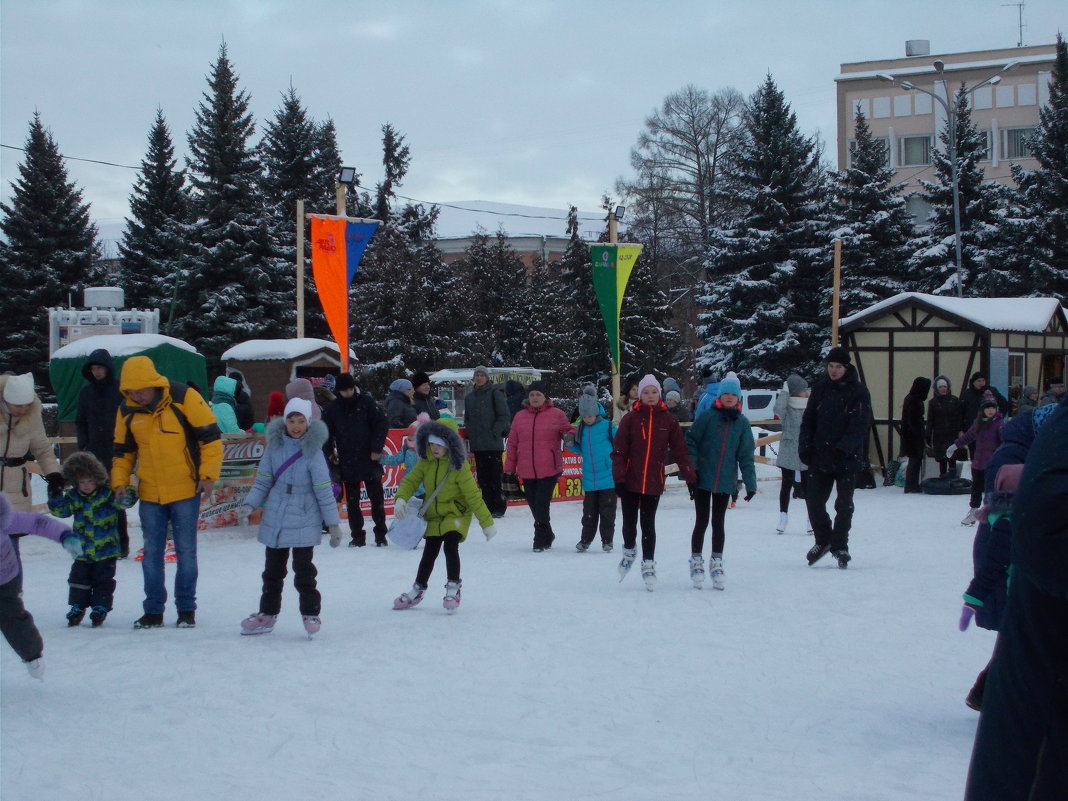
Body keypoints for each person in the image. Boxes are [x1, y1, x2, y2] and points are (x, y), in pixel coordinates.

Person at [963, 400, 1067, 801]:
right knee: (1021, 637)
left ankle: (986, 689)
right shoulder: (1021, 445)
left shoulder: (1032, 437)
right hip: (1012, 561)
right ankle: (985, 689)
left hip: (1019, 561)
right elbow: (1010, 515)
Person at [111, 356, 223, 629]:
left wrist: (208, 476)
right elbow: (122, 453)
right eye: (131, 392)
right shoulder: (127, 410)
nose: (136, 396)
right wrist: (119, 482)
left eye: (140, 390)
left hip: (186, 489)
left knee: (186, 551)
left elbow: (210, 439)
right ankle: (153, 611)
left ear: (153, 384)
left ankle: (186, 609)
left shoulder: (185, 398)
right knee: (151, 554)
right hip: (150, 493)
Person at [237, 398, 341, 638]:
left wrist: (333, 524)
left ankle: (310, 612)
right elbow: (263, 480)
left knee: (304, 570)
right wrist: (250, 503)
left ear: (308, 422)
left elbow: (324, 490)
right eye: (291, 420)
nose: (296, 426)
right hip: (277, 512)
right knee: (272, 571)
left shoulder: (313, 452)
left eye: (300, 421)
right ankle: (267, 614)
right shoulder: (274, 447)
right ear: (285, 421)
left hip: (305, 513)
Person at [391, 419, 496, 614]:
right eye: (431, 444)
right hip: (434, 516)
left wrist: (486, 523)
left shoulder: (459, 467)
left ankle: (453, 588)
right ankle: (418, 589)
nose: (435, 448)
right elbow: (410, 481)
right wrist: (401, 499)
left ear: (450, 444)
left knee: (450, 545)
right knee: (429, 552)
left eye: (440, 444)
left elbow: (473, 497)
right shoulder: (425, 463)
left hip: (456, 515)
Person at [612, 375, 697, 589]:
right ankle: (629, 550)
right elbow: (619, 452)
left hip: (653, 481)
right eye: (646, 392)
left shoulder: (668, 420)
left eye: (654, 392)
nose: (650, 396)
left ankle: (648, 563)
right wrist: (619, 478)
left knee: (648, 524)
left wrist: (690, 478)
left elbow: (680, 451)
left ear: (660, 394)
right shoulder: (630, 419)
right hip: (630, 480)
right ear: (640, 395)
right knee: (629, 523)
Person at [798, 346, 872, 570]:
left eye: (838, 367)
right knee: (814, 501)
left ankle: (840, 544)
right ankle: (823, 540)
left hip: (846, 458)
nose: (834, 370)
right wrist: (805, 446)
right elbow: (808, 420)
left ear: (846, 367)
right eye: (831, 366)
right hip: (819, 456)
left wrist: (844, 448)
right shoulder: (820, 389)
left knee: (844, 504)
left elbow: (860, 423)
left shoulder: (858, 391)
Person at [685, 371, 756, 590]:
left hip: (725, 481)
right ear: (719, 396)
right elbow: (692, 441)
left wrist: (750, 483)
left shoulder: (742, 423)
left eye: (732, 395)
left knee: (719, 523)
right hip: (703, 478)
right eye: (725, 393)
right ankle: (696, 559)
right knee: (702, 520)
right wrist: (693, 470)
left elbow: (746, 455)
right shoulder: (708, 417)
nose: (728, 397)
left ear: (738, 399)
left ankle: (716, 561)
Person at [0, 494, 80, 679]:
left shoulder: (4, 519)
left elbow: (37, 522)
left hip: (4, 579)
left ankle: (32, 655)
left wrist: (65, 535)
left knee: (12, 619)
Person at [47, 451, 127, 627]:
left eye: (90, 480)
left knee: (103, 580)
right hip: (82, 550)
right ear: (75, 482)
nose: (86, 485)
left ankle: (100, 606)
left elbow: (124, 501)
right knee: (78, 579)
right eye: (82, 482)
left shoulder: (107, 495)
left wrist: (125, 489)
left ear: (97, 478)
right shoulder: (74, 497)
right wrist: (55, 493)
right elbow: (61, 511)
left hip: (106, 550)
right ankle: (77, 606)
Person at [504, 381, 573, 552]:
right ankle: (547, 533)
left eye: (538, 395)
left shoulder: (557, 414)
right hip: (526, 469)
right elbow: (512, 444)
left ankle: (540, 538)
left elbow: (568, 431)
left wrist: (574, 433)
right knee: (534, 504)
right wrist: (509, 467)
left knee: (542, 504)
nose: (535, 398)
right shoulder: (520, 417)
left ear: (545, 397)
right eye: (532, 394)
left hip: (549, 468)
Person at [322, 372, 388, 547]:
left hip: (369, 459)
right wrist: (330, 452)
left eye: (350, 389)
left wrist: (376, 448)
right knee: (353, 502)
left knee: (377, 500)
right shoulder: (333, 409)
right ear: (338, 391)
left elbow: (381, 424)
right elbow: (325, 433)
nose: (348, 393)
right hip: (347, 459)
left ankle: (381, 534)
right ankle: (357, 536)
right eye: (344, 390)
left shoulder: (366, 403)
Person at [75, 348, 129, 558]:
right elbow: (80, 420)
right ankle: (97, 541)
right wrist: (83, 443)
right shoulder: (86, 393)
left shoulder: (120, 390)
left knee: (118, 496)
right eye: (93, 368)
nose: (96, 372)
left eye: (99, 367)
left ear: (108, 368)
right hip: (94, 451)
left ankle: (122, 544)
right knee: (93, 498)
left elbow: (129, 417)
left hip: (117, 451)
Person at [1, 372, 63, 515]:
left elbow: (42, 449)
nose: (24, 410)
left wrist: (54, 475)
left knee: (13, 532)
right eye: (18, 405)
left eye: (27, 405)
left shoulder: (32, 416)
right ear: (6, 400)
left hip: (17, 486)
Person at [565, 392, 616, 553]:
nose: (587, 419)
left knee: (607, 513)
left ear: (596, 412)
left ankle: (607, 540)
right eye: (584, 416)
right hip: (590, 479)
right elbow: (580, 449)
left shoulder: (607, 426)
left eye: (590, 416)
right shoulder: (581, 428)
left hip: (608, 478)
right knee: (588, 514)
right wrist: (569, 444)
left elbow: (620, 443)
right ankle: (585, 540)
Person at [463, 366, 511, 519]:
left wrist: (495, 432)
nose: (479, 377)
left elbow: (504, 415)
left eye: (482, 375)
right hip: (478, 445)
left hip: (493, 444)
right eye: (476, 375)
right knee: (483, 479)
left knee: (496, 478)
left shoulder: (495, 394)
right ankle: (487, 506)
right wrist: (471, 434)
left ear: (487, 377)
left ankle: (499, 507)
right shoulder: (469, 397)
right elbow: (468, 419)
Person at [950, 393, 1005, 526]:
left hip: (993, 465)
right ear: (982, 410)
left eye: (992, 408)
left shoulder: (999, 424)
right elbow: (968, 436)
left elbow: (1005, 441)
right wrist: (955, 445)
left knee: (991, 490)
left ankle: (992, 513)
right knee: (976, 489)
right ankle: (974, 512)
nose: (990, 411)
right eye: (987, 408)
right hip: (978, 463)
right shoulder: (978, 423)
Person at [773, 374, 809, 533]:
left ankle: (811, 519)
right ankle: (783, 517)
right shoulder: (787, 408)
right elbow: (777, 409)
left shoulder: (810, 406)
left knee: (810, 488)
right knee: (786, 485)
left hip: (807, 451)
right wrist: (785, 390)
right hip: (788, 450)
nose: (806, 392)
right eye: (803, 389)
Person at [380, 412, 430, 496]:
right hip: (407, 488)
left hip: (423, 492)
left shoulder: (428, 451)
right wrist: (380, 458)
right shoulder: (406, 448)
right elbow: (396, 459)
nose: (409, 442)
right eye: (408, 438)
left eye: (412, 439)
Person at [926, 375, 964, 478]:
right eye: (940, 387)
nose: (943, 389)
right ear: (937, 389)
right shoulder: (933, 402)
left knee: (952, 456)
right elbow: (930, 420)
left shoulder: (955, 401)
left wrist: (960, 430)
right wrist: (928, 435)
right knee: (942, 457)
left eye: (944, 386)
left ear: (948, 388)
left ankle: (953, 477)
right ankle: (942, 477)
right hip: (939, 434)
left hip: (952, 433)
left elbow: (959, 417)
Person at [899, 376, 931, 493]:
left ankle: (911, 484)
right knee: (915, 460)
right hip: (914, 436)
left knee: (914, 460)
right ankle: (911, 485)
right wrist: (920, 432)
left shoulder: (911, 398)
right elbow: (914, 421)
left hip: (910, 435)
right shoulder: (915, 401)